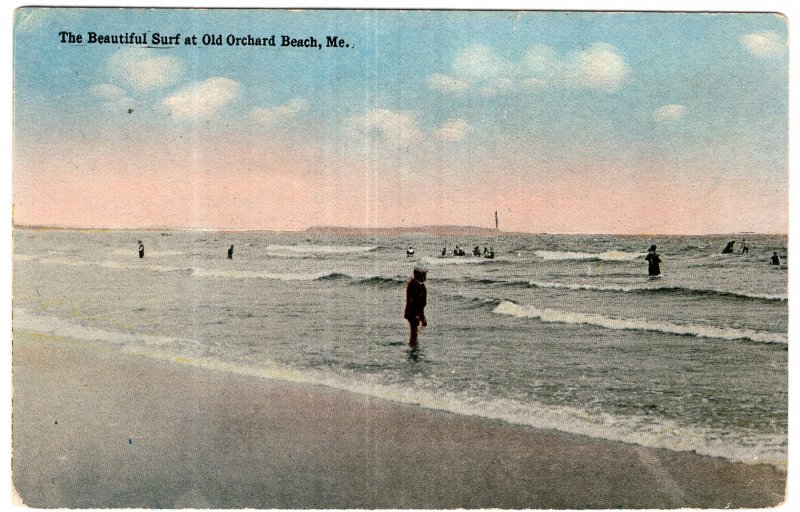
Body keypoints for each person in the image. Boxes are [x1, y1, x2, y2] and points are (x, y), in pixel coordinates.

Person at [404, 264, 428, 350]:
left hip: (411, 312)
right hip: (414, 314)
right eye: (423, 274)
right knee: (414, 333)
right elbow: (418, 304)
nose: (425, 276)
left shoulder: (412, 283)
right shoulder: (418, 286)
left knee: (414, 332)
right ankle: (413, 350)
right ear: (418, 275)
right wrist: (422, 318)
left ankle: (413, 348)